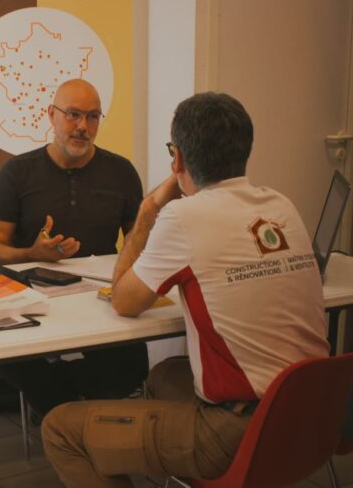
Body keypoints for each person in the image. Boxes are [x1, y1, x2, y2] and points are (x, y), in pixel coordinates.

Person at [42, 92, 329, 487]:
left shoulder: (183, 215)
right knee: (165, 374)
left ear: (177, 158)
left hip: (238, 430)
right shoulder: (282, 205)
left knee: (60, 429)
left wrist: (148, 209)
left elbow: (124, 300)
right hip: (312, 416)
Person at [0, 79, 148, 418]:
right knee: (11, 358)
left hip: (101, 303)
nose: (82, 126)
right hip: (36, 304)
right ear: (51, 115)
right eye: (73, 114)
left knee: (132, 362)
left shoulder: (121, 172)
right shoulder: (17, 172)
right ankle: (68, 414)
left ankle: (75, 413)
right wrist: (32, 254)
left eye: (92, 116)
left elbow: (139, 244)